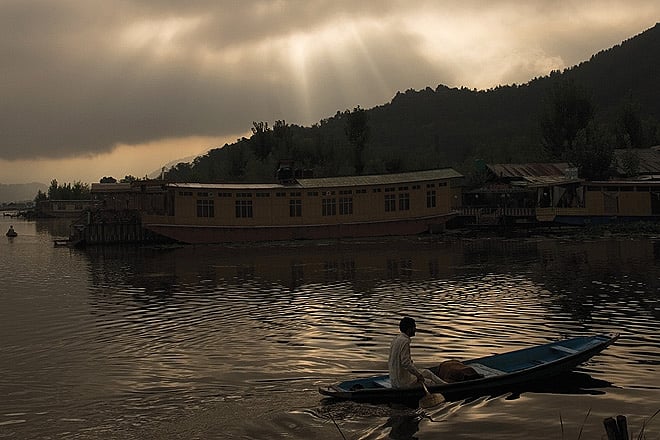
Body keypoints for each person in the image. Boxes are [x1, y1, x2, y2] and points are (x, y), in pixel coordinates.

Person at [388, 317, 445, 388]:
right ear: (409, 329)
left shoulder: (396, 339)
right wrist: (418, 375)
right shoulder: (405, 341)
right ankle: (446, 388)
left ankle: (445, 384)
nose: (415, 329)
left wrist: (417, 373)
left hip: (394, 379)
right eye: (414, 327)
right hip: (403, 383)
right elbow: (406, 363)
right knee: (431, 383)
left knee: (427, 372)